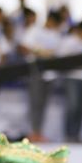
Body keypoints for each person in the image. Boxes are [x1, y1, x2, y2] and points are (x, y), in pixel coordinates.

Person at [19, 10, 61, 142]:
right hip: (36, 69)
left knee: (43, 104)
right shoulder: (35, 30)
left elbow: (58, 51)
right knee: (34, 102)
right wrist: (39, 51)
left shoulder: (56, 34)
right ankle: (32, 131)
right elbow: (24, 47)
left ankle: (39, 131)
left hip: (50, 72)